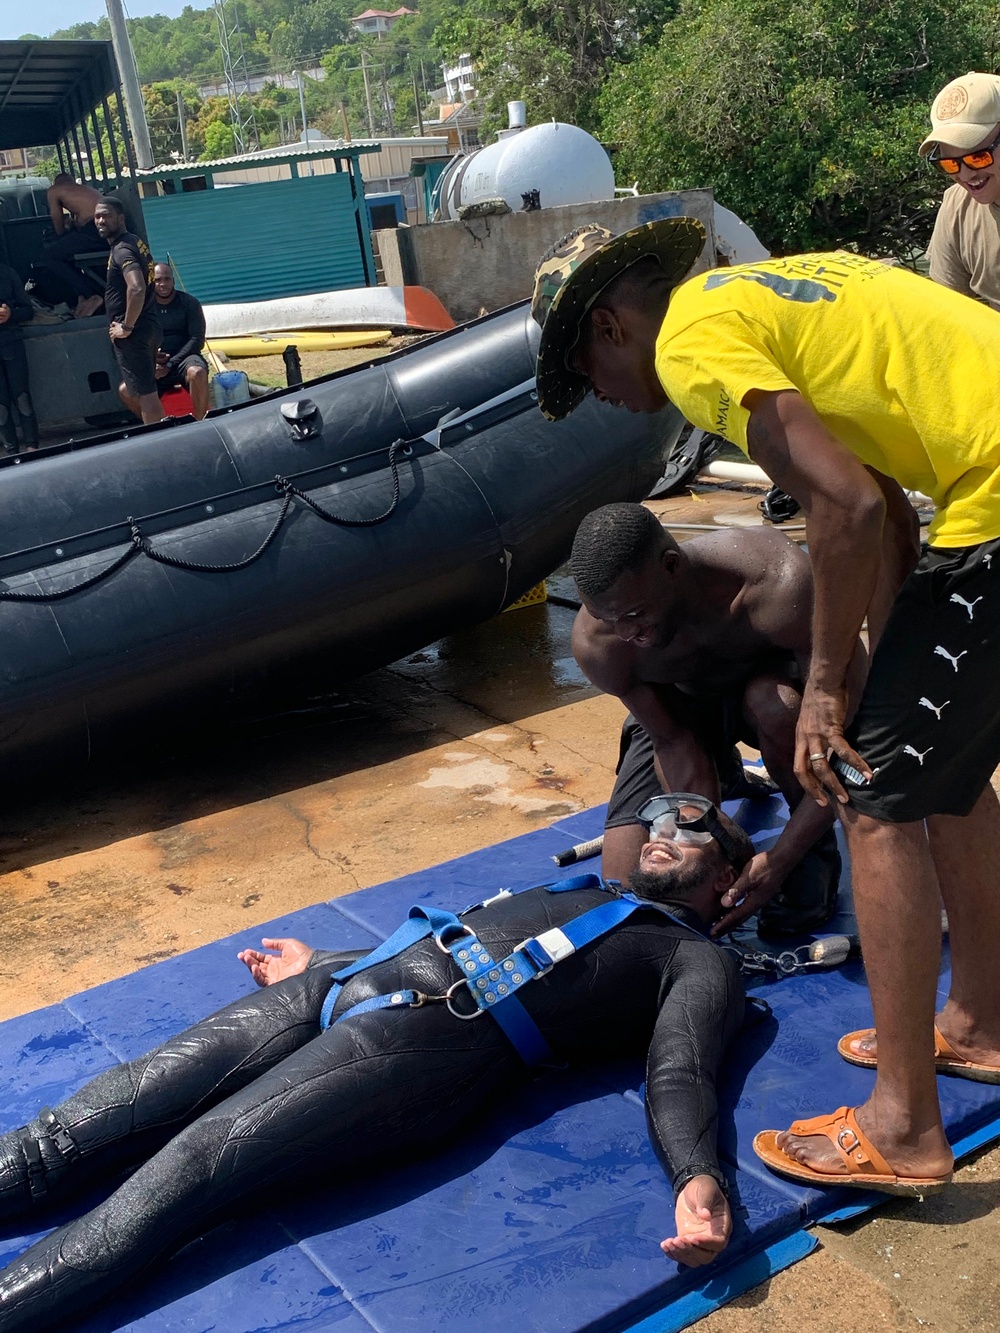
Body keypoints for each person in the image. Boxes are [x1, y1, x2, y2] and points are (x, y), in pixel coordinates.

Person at [530, 217, 1000, 1197]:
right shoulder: (751, 298)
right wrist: (873, 662)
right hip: (967, 495)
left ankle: (904, 1129)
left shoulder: (691, 347)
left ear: (616, 325)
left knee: (870, 794)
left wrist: (828, 691)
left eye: (589, 372)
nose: (607, 400)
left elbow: (844, 511)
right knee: (942, 777)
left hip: (991, 493)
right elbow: (881, 507)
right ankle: (982, 1022)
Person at [0, 797, 752, 1330]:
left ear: (726, 880)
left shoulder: (695, 957)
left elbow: (681, 1067)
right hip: (343, 985)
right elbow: (458, 940)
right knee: (84, 1120)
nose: (665, 826)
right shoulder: (588, 888)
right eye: (658, 817)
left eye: (694, 829)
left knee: (189, 1171)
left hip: (427, 1045)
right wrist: (321, 960)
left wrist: (697, 1173)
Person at [571, 501, 849, 936]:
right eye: (607, 618)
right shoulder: (601, 643)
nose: (626, 633)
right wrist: (700, 837)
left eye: (633, 614)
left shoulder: (776, 582)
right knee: (628, 898)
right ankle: (723, 777)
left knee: (773, 703)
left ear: (671, 566)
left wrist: (782, 859)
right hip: (678, 717)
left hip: (773, 706)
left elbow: (844, 736)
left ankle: (817, 851)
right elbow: (671, 739)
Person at [919, 71, 1000, 311]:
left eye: (978, 157)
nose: (965, 176)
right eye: (950, 164)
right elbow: (946, 312)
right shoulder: (957, 205)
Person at [94, 198, 163, 427]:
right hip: (149, 326)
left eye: (106, 215)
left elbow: (136, 287)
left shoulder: (123, 250)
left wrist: (127, 326)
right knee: (136, 389)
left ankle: (160, 441)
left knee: (146, 393)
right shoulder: (134, 242)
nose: (101, 220)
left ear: (121, 219)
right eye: (97, 217)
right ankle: (157, 429)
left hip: (135, 332)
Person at [130, 262, 210, 421]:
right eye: (158, 280)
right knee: (125, 390)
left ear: (173, 280)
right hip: (154, 362)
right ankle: (157, 425)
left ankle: (201, 423)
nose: (163, 284)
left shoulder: (189, 303)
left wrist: (171, 363)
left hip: (184, 359)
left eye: (167, 279)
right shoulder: (144, 306)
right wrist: (151, 358)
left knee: (198, 372)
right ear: (152, 282)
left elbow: (197, 339)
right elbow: (136, 340)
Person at [42, 175, 109, 318]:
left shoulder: (54, 190)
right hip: (106, 230)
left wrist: (60, 234)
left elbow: (56, 217)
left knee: (50, 256)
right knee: (66, 254)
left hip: (95, 230)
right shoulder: (87, 190)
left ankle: (91, 294)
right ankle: (82, 297)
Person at [0, 263, 39, 454]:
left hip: (11, 342)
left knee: (22, 397)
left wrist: (10, 314)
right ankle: (11, 453)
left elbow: (27, 310)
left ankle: (32, 448)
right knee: (0, 405)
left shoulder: (7, 272)